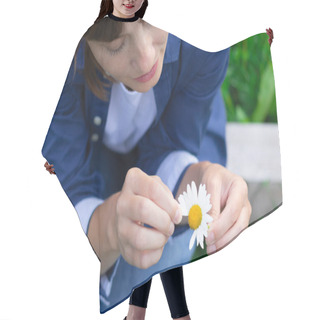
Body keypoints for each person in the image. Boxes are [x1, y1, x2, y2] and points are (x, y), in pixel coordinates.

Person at [42, 2, 252, 318]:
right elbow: (75, 182)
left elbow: (177, 145)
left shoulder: (200, 46)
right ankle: (164, 313)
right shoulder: (60, 72)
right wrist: (109, 228)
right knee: (139, 232)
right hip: (103, 164)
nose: (146, 59)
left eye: (153, 20)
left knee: (166, 233)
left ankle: (144, 313)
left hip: (189, 136)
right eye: (115, 45)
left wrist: (197, 174)